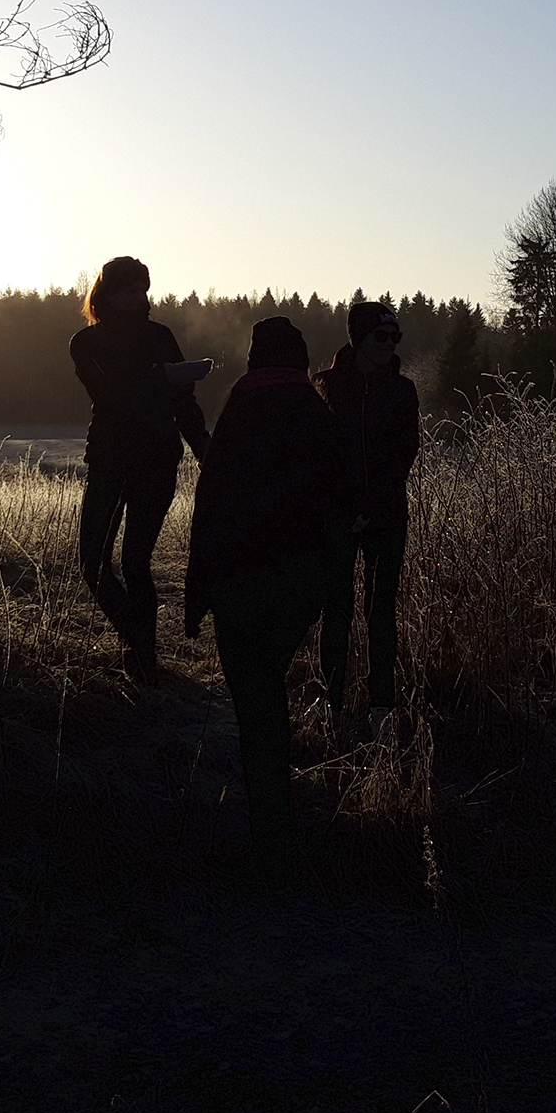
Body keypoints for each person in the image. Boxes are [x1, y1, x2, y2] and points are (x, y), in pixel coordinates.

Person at [184, 315, 344, 865]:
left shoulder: (239, 412)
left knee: (255, 700)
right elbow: (337, 513)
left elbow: (211, 506)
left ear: (255, 358)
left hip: (238, 580)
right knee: (265, 690)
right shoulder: (317, 417)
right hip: (297, 585)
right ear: (299, 361)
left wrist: (196, 592)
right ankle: (274, 826)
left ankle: (270, 834)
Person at [69, 256, 212, 678]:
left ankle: (144, 662)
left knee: (135, 562)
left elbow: (184, 402)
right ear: (107, 294)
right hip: (109, 458)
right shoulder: (85, 342)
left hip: (157, 460)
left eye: (143, 290)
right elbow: (109, 394)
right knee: (91, 564)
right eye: (129, 290)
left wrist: (204, 448)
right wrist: (162, 376)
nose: (139, 298)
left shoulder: (161, 336)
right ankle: (136, 637)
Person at [313, 299, 421, 741]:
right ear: (358, 338)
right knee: (335, 609)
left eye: (395, 337)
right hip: (337, 518)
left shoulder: (403, 391)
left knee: (381, 613)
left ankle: (382, 709)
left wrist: (370, 509)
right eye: (381, 336)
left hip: (386, 516)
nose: (390, 345)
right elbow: (320, 458)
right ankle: (330, 704)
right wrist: (344, 508)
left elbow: (402, 456)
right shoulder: (324, 386)